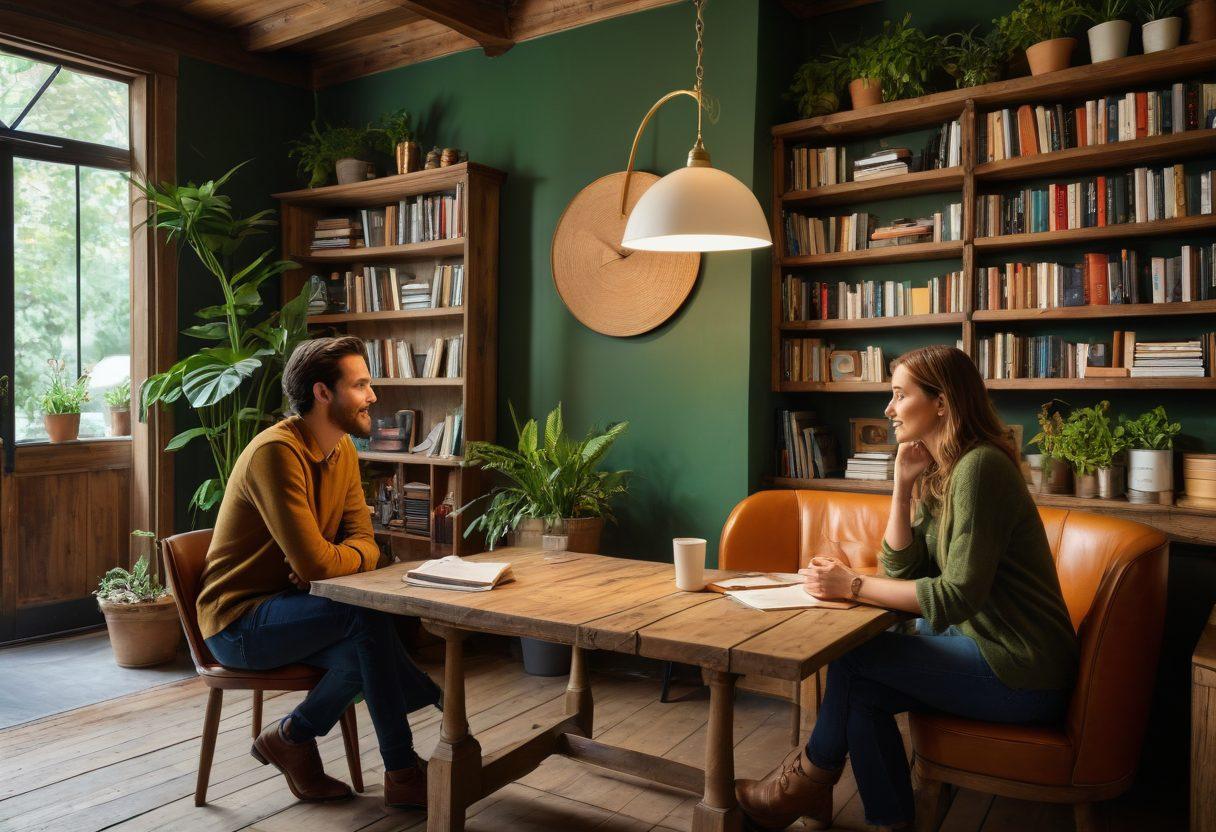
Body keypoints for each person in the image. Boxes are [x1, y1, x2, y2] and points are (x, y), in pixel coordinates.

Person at [736, 345, 1079, 831]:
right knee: (865, 686)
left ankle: (803, 784)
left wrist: (850, 584)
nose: (888, 409)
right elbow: (903, 571)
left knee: (854, 661)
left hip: (1022, 671)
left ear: (942, 403)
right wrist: (900, 485)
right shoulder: (949, 471)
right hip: (979, 649)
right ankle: (888, 822)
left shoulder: (981, 469)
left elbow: (955, 595)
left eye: (899, 395)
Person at [195, 336, 441, 810]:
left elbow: (364, 544)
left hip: (300, 611)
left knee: (366, 646)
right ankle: (405, 767)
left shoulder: (342, 448)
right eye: (361, 385)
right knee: (366, 618)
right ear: (323, 394)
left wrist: (332, 560)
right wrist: (327, 562)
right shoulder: (276, 454)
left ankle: (292, 737)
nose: (373, 396)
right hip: (239, 622)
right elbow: (317, 564)